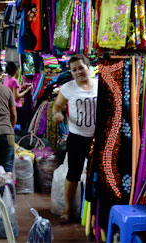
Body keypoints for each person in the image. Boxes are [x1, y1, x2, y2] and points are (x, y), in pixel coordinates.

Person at [51, 54, 97, 223]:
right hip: (77, 137)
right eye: (74, 70)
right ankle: (68, 209)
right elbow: (56, 106)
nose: (78, 72)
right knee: (73, 175)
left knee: (96, 174)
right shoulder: (68, 88)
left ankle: (93, 211)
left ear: (88, 67)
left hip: (97, 139)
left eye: (80, 68)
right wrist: (57, 114)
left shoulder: (100, 85)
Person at [3, 61, 32, 126]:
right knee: (19, 126)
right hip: (16, 107)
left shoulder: (6, 78)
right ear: (16, 71)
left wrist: (21, 87)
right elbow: (16, 97)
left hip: (8, 105)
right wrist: (27, 90)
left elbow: (11, 90)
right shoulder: (14, 81)